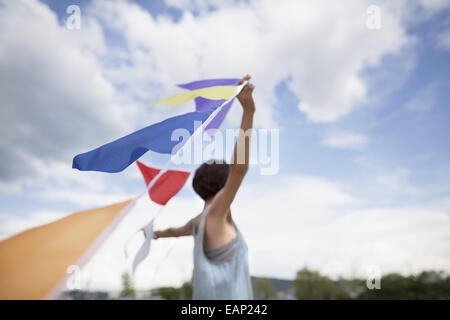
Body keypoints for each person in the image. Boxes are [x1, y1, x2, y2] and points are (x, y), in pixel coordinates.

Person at [153, 74, 255, 299]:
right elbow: (239, 169)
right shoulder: (216, 213)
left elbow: (174, 232)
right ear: (223, 184)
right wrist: (248, 112)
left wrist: (154, 234)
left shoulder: (198, 223)